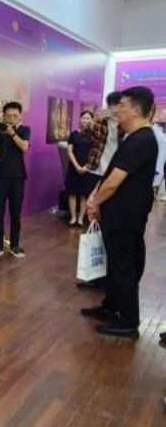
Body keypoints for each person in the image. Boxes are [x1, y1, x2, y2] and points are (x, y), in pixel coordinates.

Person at [81, 86, 158, 339]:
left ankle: (128, 321)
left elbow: (114, 182)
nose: (117, 111)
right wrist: (96, 195)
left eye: (121, 106)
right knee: (115, 264)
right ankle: (110, 306)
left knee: (123, 266)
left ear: (136, 110)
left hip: (125, 216)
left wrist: (94, 203)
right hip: (119, 214)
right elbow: (110, 175)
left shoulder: (142, 140)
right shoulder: (133, 138)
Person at [76, 90, 123, 292]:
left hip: (115, 177)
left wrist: (118, 121)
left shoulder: (126, 127)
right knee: (93, 218)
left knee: (108, 222)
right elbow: (84, 132)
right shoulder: (101, 123)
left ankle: (108, 276)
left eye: (118, 106)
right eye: (111, 105)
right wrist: (95, 118)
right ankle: (96, 273)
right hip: (96, 172)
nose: (114, 110)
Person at [0, 101, 31, 259]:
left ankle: (15, 245)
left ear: (20, 116)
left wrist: (12, 132)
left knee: (15, 212)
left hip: (17, 176)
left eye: (15, 116)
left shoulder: (25, 129)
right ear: (3, 116)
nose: (11, 118)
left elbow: (24, 147)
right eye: (8, 116)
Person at [64, 110, 99, 226]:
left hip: (88, 168)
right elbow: (69, 151)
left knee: (84, 194)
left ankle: (80, 218)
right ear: (79, 119)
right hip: (74, 167)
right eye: (83, 118)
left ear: (91, 121)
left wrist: (86, 167)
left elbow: (96, 152)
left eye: (88, 118)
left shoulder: (94, 135)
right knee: (72, 192)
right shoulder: (74, 134)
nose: (85, 120)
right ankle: (73, 217)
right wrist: (77, 166)